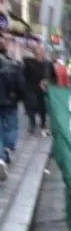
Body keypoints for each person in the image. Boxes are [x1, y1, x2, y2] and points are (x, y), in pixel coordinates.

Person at [0, 36, 25, 179]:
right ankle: (8, 149)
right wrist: (19, 98)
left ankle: (1, 156)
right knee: (11, 127)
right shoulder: (13, 65)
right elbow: (20, 85)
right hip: (10, 103)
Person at [22, 43, 52, 136]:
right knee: (31, 107)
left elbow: (53, 76)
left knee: (42, 108)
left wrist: (48, 81)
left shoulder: (48, 63)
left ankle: (43, 123)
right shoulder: (29, 63)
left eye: (42, 52)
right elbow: (24, 74)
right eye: (38, 52)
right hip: (31, 88)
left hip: (43, 90)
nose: (41, 54)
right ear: (35, 54)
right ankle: (32, 123)